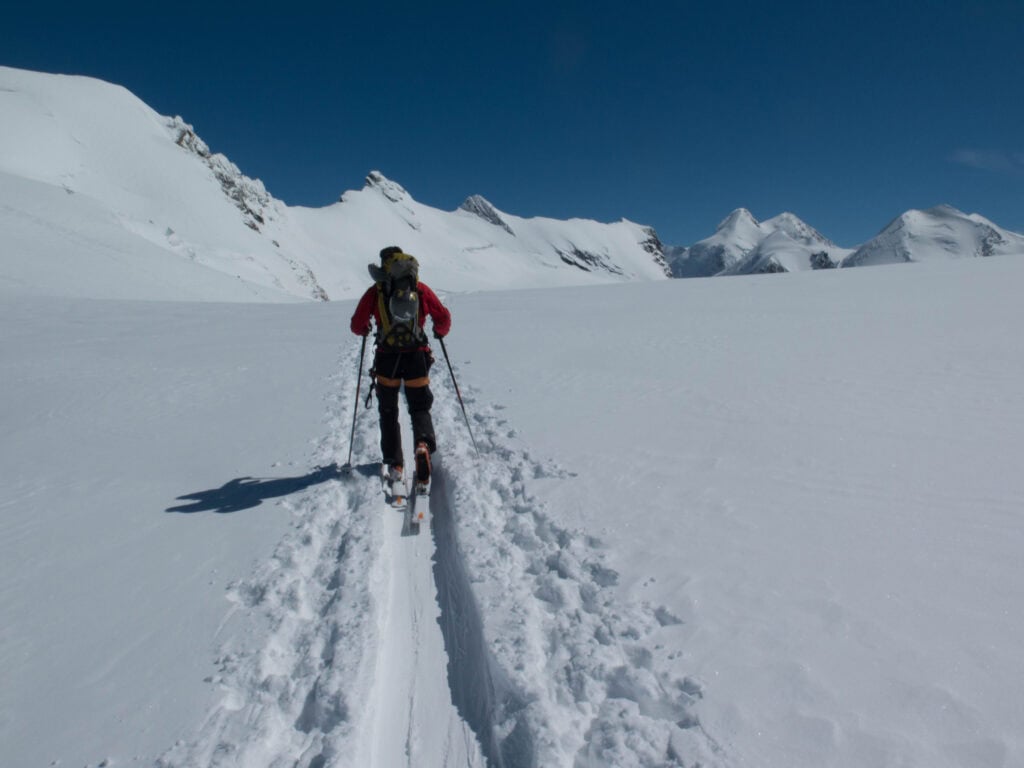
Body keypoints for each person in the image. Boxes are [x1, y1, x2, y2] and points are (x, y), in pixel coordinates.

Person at [350, 246, 451, 486]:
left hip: (387, 358)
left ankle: (395, 463)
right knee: (419, 407)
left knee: (388, 410)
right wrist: (438, 331)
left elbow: (357, 324)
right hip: (417, 356)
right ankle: (422, 445)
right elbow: (443, 318)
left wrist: (366, 328)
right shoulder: (419, 289)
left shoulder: (376, 291)